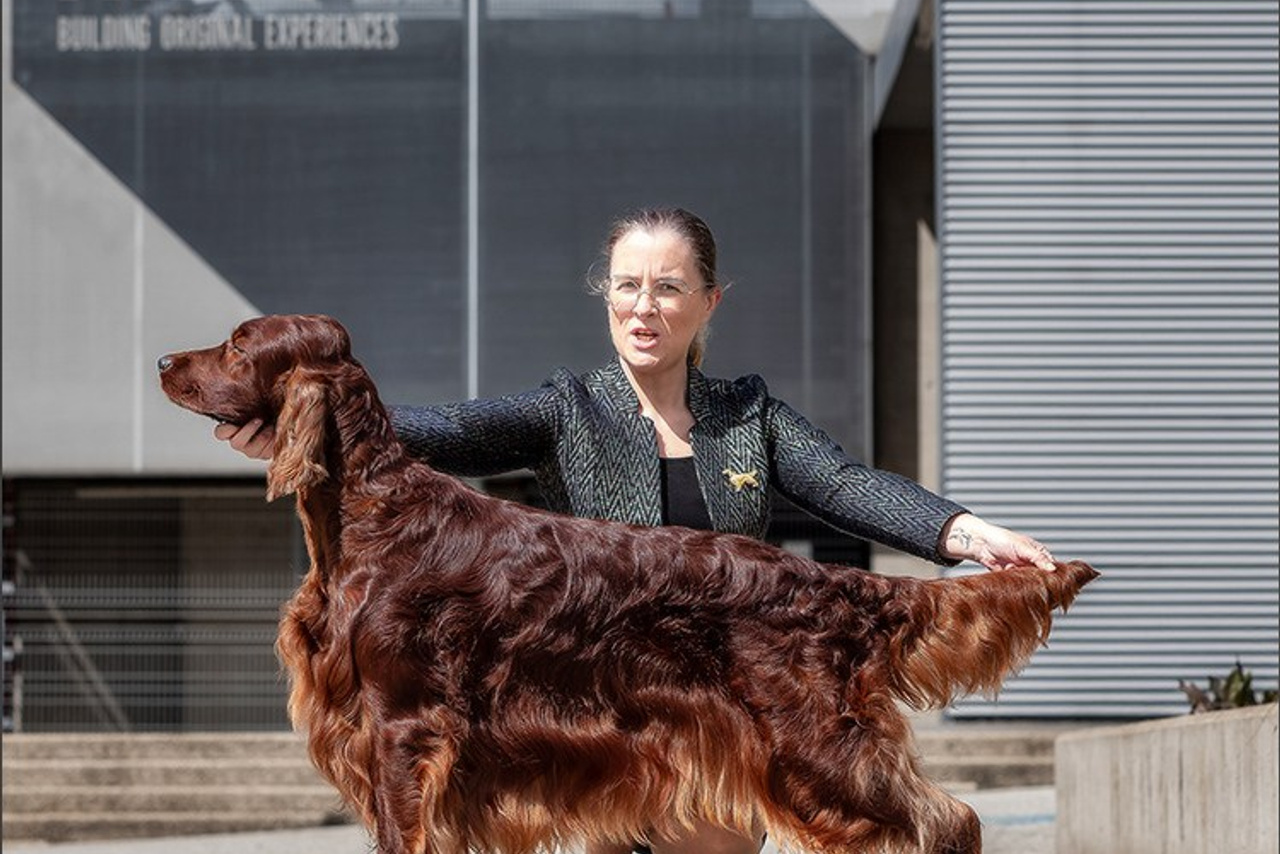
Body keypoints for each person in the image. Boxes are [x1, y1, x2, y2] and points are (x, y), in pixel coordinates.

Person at [216, 207, 1056, 854]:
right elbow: (446, 429)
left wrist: (964, 532)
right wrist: (302, 421)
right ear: (607, 297)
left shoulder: (748, 415)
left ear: (709, 302)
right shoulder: (567, 408)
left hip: (720, 690)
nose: (643, 306)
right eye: (626, 286)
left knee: (740, 832)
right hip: (589, 702)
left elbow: (843, 485)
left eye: (667, 287)